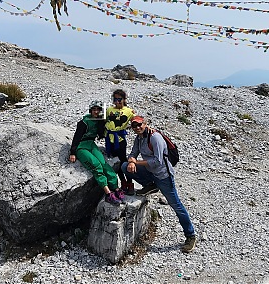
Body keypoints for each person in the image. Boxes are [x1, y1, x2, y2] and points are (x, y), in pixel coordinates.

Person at [122, 115, 196, 253]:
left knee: (176, 205)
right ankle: (151, 184)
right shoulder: (139, 138)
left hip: (163, 176)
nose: (137, 127)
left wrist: (136, 162)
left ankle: (190, 235)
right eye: (134, 126)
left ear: (145, 123)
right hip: (151, 173)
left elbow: (158, 161)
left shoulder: (155, 138)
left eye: (139, 124)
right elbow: (133, 152)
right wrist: (132, 161)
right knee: (125, 166)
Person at [69, 100, 124, 205]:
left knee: (104, 164)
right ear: (90, 110)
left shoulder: (99, 121)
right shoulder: (84, 122)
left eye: (98, 109)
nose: (96, 111)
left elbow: (101, 134)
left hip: (91, 144)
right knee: (96, 165)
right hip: (81, 146)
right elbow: (77, 137)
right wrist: (73, 152)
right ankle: (108, 193)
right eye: (94, 109)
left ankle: (116, 189)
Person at [105, 89, 136, 194]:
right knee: (116, 162)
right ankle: (123, 182)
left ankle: (130, 183)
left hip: (120, 140)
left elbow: (136, 122)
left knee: (124, 161)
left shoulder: (129, 111)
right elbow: (103, 121)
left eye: (119, 99)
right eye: (115, 99)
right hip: (110, 139)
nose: (117, 101)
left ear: (124, 99)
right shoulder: (109, 110)